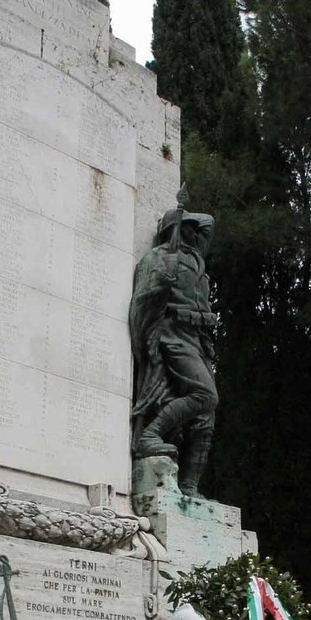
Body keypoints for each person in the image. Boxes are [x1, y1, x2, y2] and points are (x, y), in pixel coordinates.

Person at [128, 203, 218, 497]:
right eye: (189, 229)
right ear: (178, 230)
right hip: (172, 333)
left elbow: (208, 220)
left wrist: (183, 216)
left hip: (197, 337)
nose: (197, 234)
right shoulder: (160, 257)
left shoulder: (197, 263)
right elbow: (142, 300)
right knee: (206, 396)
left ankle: (190, 485)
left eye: (195, 230)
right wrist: (159, 286)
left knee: (206, 414)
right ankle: (149, 435)